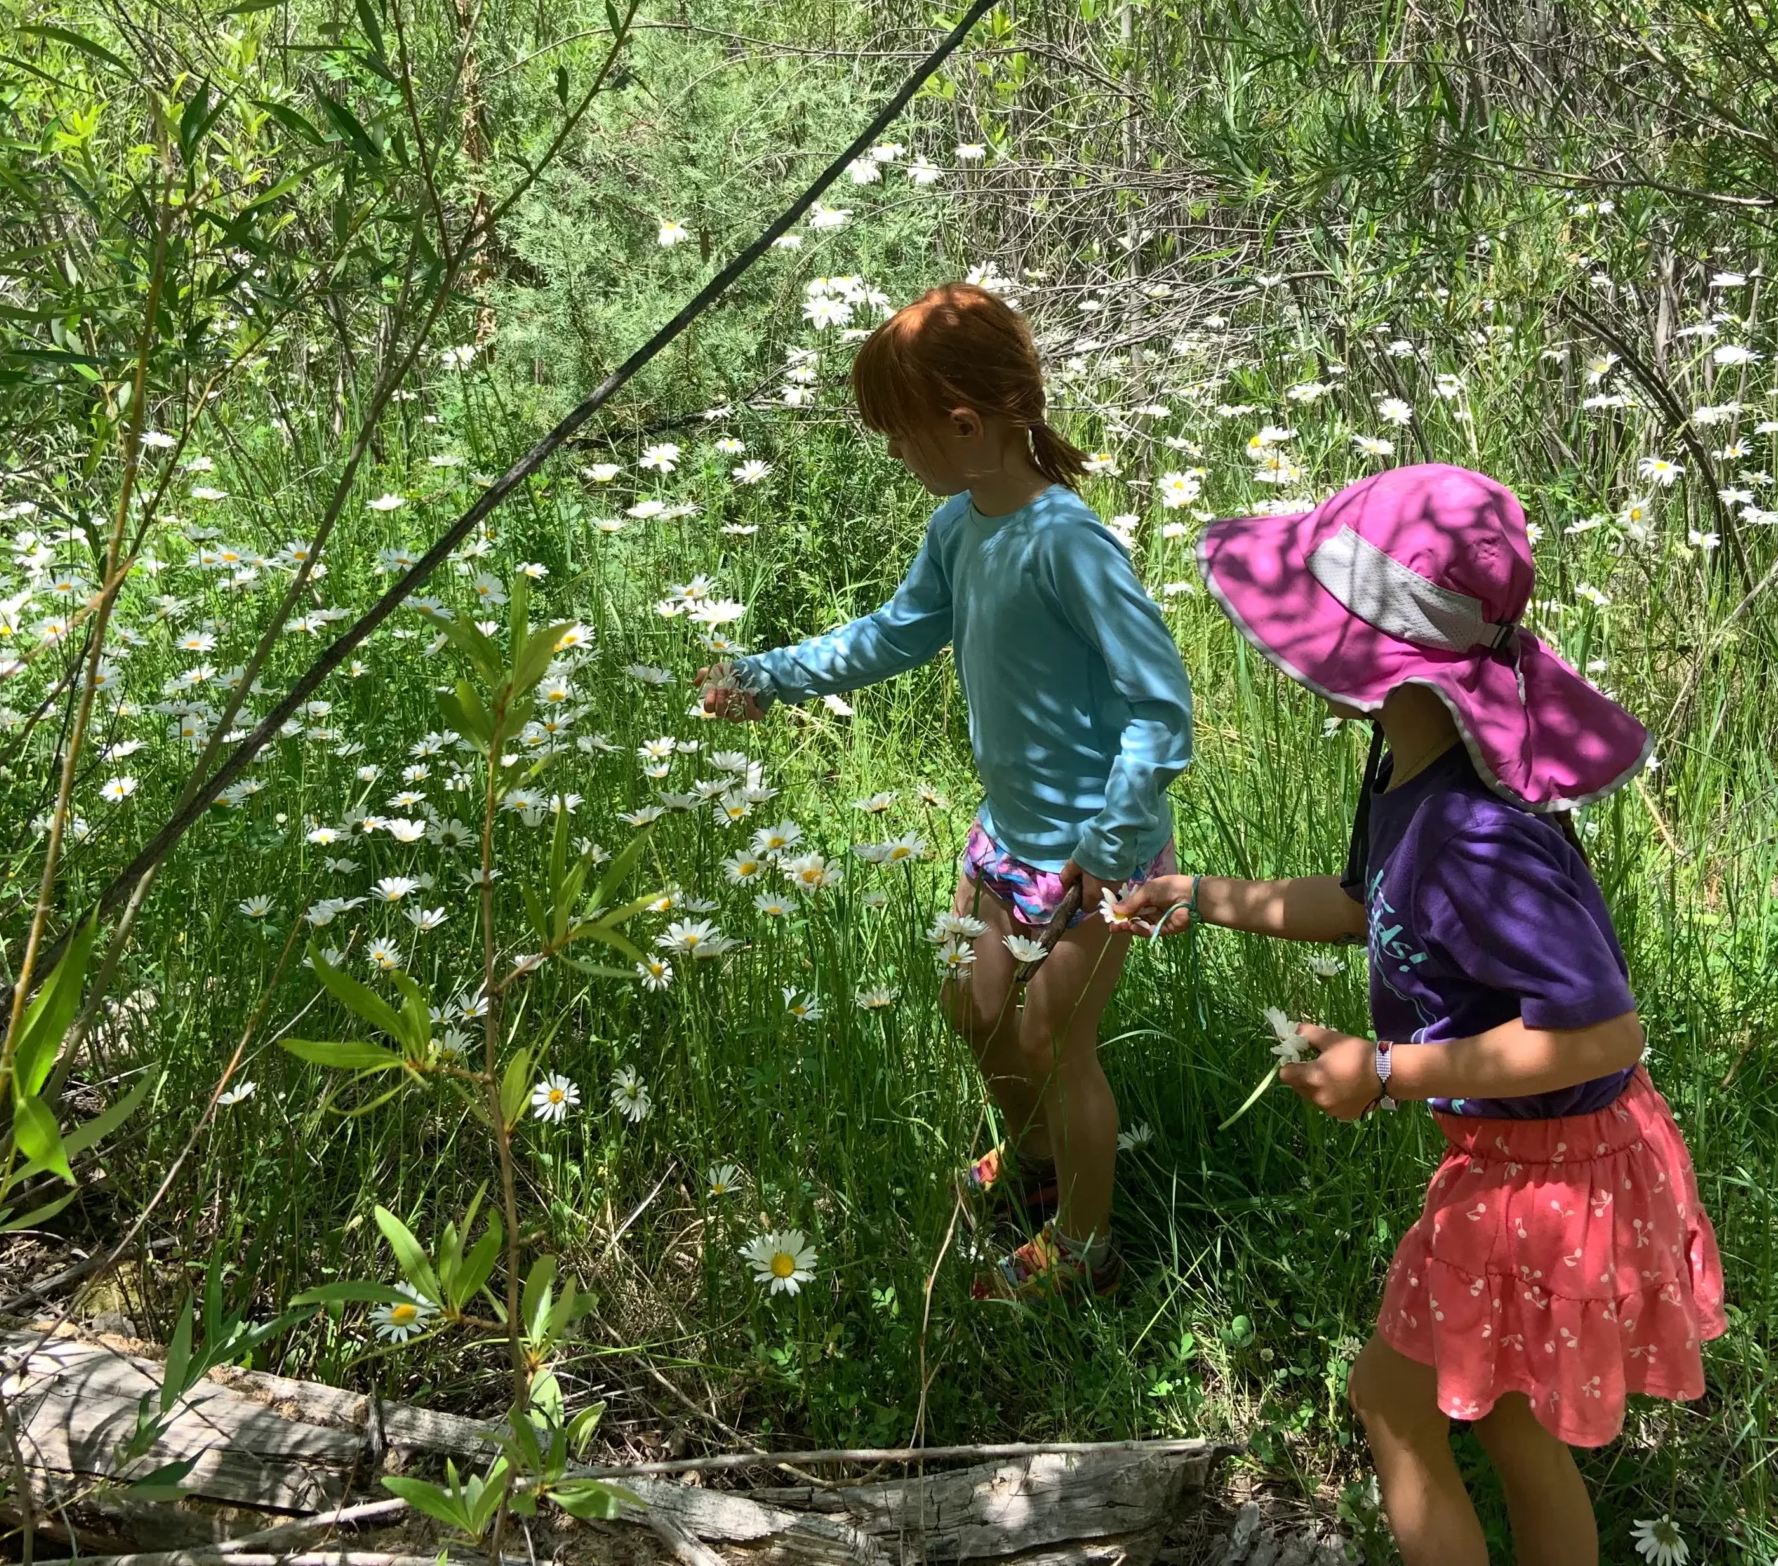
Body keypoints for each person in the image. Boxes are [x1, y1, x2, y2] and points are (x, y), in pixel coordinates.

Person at [1116, 464, 1723, 1564]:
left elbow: (1602, 1033)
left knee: (1392, 1403)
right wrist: (1199, 896)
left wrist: (1389, 1068)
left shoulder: (1477, 835)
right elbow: (1360, 905)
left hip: (1549, 1182)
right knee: (1511, 1427)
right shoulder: (1406, 762)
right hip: (1540, 1159)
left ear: (1363, 647)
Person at [700, 282, 1192, 1300]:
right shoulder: (961, 528)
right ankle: (1033, 1168)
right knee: (970, 1014)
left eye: (898, 433)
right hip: (1008, 836)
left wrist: (1108, 845)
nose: (893, 452)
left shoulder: (1067, 540)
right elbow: (896, 631)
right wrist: (769, 674)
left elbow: (1162, 706)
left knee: (1055, 1044)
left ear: (964, 424)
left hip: (1100, 855)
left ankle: (1087, 1246)